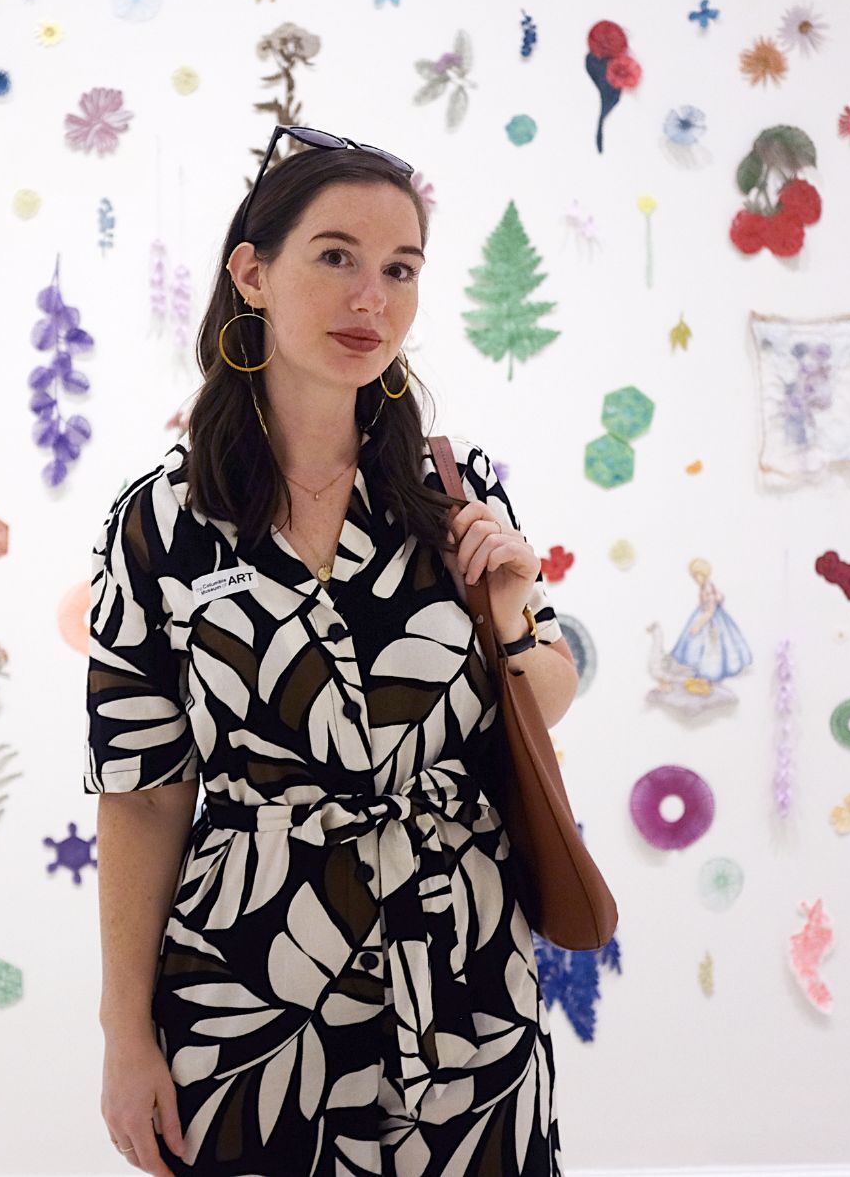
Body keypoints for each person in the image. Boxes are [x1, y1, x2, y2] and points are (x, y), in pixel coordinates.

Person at [86, 124, 581, 1177]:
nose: (373, 298)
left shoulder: (451, 490)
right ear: (251, 273)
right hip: (247, 976)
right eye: (336, 257)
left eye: (399, 269)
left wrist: (505, 601)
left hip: (461, 970)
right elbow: (139, 792)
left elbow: (543, 688)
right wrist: (125, 1034)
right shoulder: (160, 525)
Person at [667, 558, 751, 684]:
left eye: (697, 575)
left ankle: (710, 672)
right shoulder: (703, 586)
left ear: (704, 574)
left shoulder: (708, 588)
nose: (695, 579)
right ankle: (698, 668)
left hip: (710, 620)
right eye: (693, 576)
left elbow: (710, 611)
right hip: (703, 613)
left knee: (711, 645)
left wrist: (698, 624)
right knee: (697, 645)